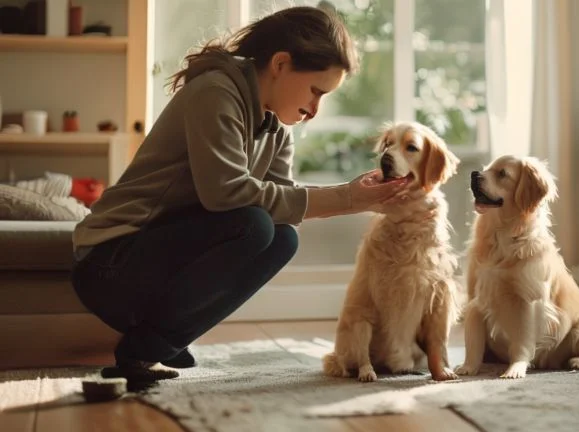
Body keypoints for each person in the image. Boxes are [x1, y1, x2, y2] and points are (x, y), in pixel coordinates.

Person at [70, 6, 415, 382]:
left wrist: (353, 197)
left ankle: (150, 345)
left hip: (153, 258)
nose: (316, 110)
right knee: (252, 225)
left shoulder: (275, 127)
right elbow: (226, 194)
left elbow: (283, 203)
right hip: (108, 264)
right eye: (316, 91)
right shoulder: (215, 92)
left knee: (283, 237)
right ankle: (153, 342)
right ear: (281, 64)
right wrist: (348, 198)